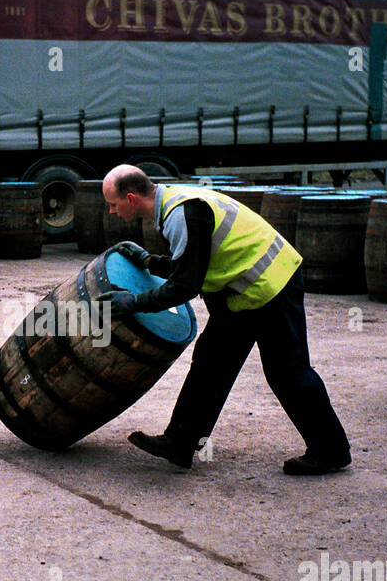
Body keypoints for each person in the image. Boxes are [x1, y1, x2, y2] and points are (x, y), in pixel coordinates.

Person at [95, 164, 351, 475]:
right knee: (211, 361)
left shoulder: (181, 214)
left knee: (288, 372)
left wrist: (133, 302)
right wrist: (149, 262)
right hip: (243, 291)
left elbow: (185, 286)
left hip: (271, 284)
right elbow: (193, 263)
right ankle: (181, 441)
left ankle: (331, 451)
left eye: (112, 204)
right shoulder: (177, 204)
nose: (111, 211)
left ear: (131, 198)